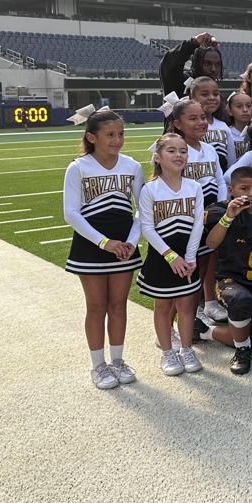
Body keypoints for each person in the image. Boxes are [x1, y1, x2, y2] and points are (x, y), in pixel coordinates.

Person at [63, 107, 144, 389]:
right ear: (91, 137)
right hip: (91, 244)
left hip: (124, 244)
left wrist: (131, 241)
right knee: (96, 306)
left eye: (120, 134)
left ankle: (118, 361)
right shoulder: (78, 167)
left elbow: (142, 210)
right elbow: (71, 213)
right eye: (110, 135)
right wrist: (104, 242)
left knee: (118, 304)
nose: (117, 140)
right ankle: (98, 365)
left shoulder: (132, 166)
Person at [199, 166, 252, 374]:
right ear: (231, 190)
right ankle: (241, 352)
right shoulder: (220, 211)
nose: (251, 194)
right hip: (229, 281)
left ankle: (204, 331)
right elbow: (210, 244)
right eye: (244, 188)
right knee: (241, 301)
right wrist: (228, 217)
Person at [138, 133, 205, 376]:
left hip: (187, 256)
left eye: (183, 151)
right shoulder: (150, 189)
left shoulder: (194, 187)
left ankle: (186, 349)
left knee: (187, 305)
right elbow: (147, 227)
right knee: (163, 306)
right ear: (157, 158)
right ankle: (167, 352)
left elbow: (198, 224)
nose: (179, 155)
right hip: (162, 257)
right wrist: (170, 256)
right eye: (172, 151)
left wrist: (190, 256)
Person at [167, 98, 228, 322]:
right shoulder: (175, 151)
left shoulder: (209, 149)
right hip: (187, 217)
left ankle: (197, 313)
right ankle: (170, 323)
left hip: (210, 215)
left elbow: (219, 180)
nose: (201, 122)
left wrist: (220, 207)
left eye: (203, 117)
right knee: (184, 273)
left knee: (205, 264)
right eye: (193, 118)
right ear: (178, 124)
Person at [159, 31, 223, 98]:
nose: (213, 69)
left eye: (217, 64)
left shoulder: (216, 97)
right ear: (197, 64)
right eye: (207, 64)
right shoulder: (182, 84)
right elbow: (169, 65)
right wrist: (193, 42)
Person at [190, 76, 233, 173]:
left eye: (216, 94)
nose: (212, 98)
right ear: (193, 98)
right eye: (205, 94)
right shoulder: (189, 126)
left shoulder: (223, 126)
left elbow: (231, 160)